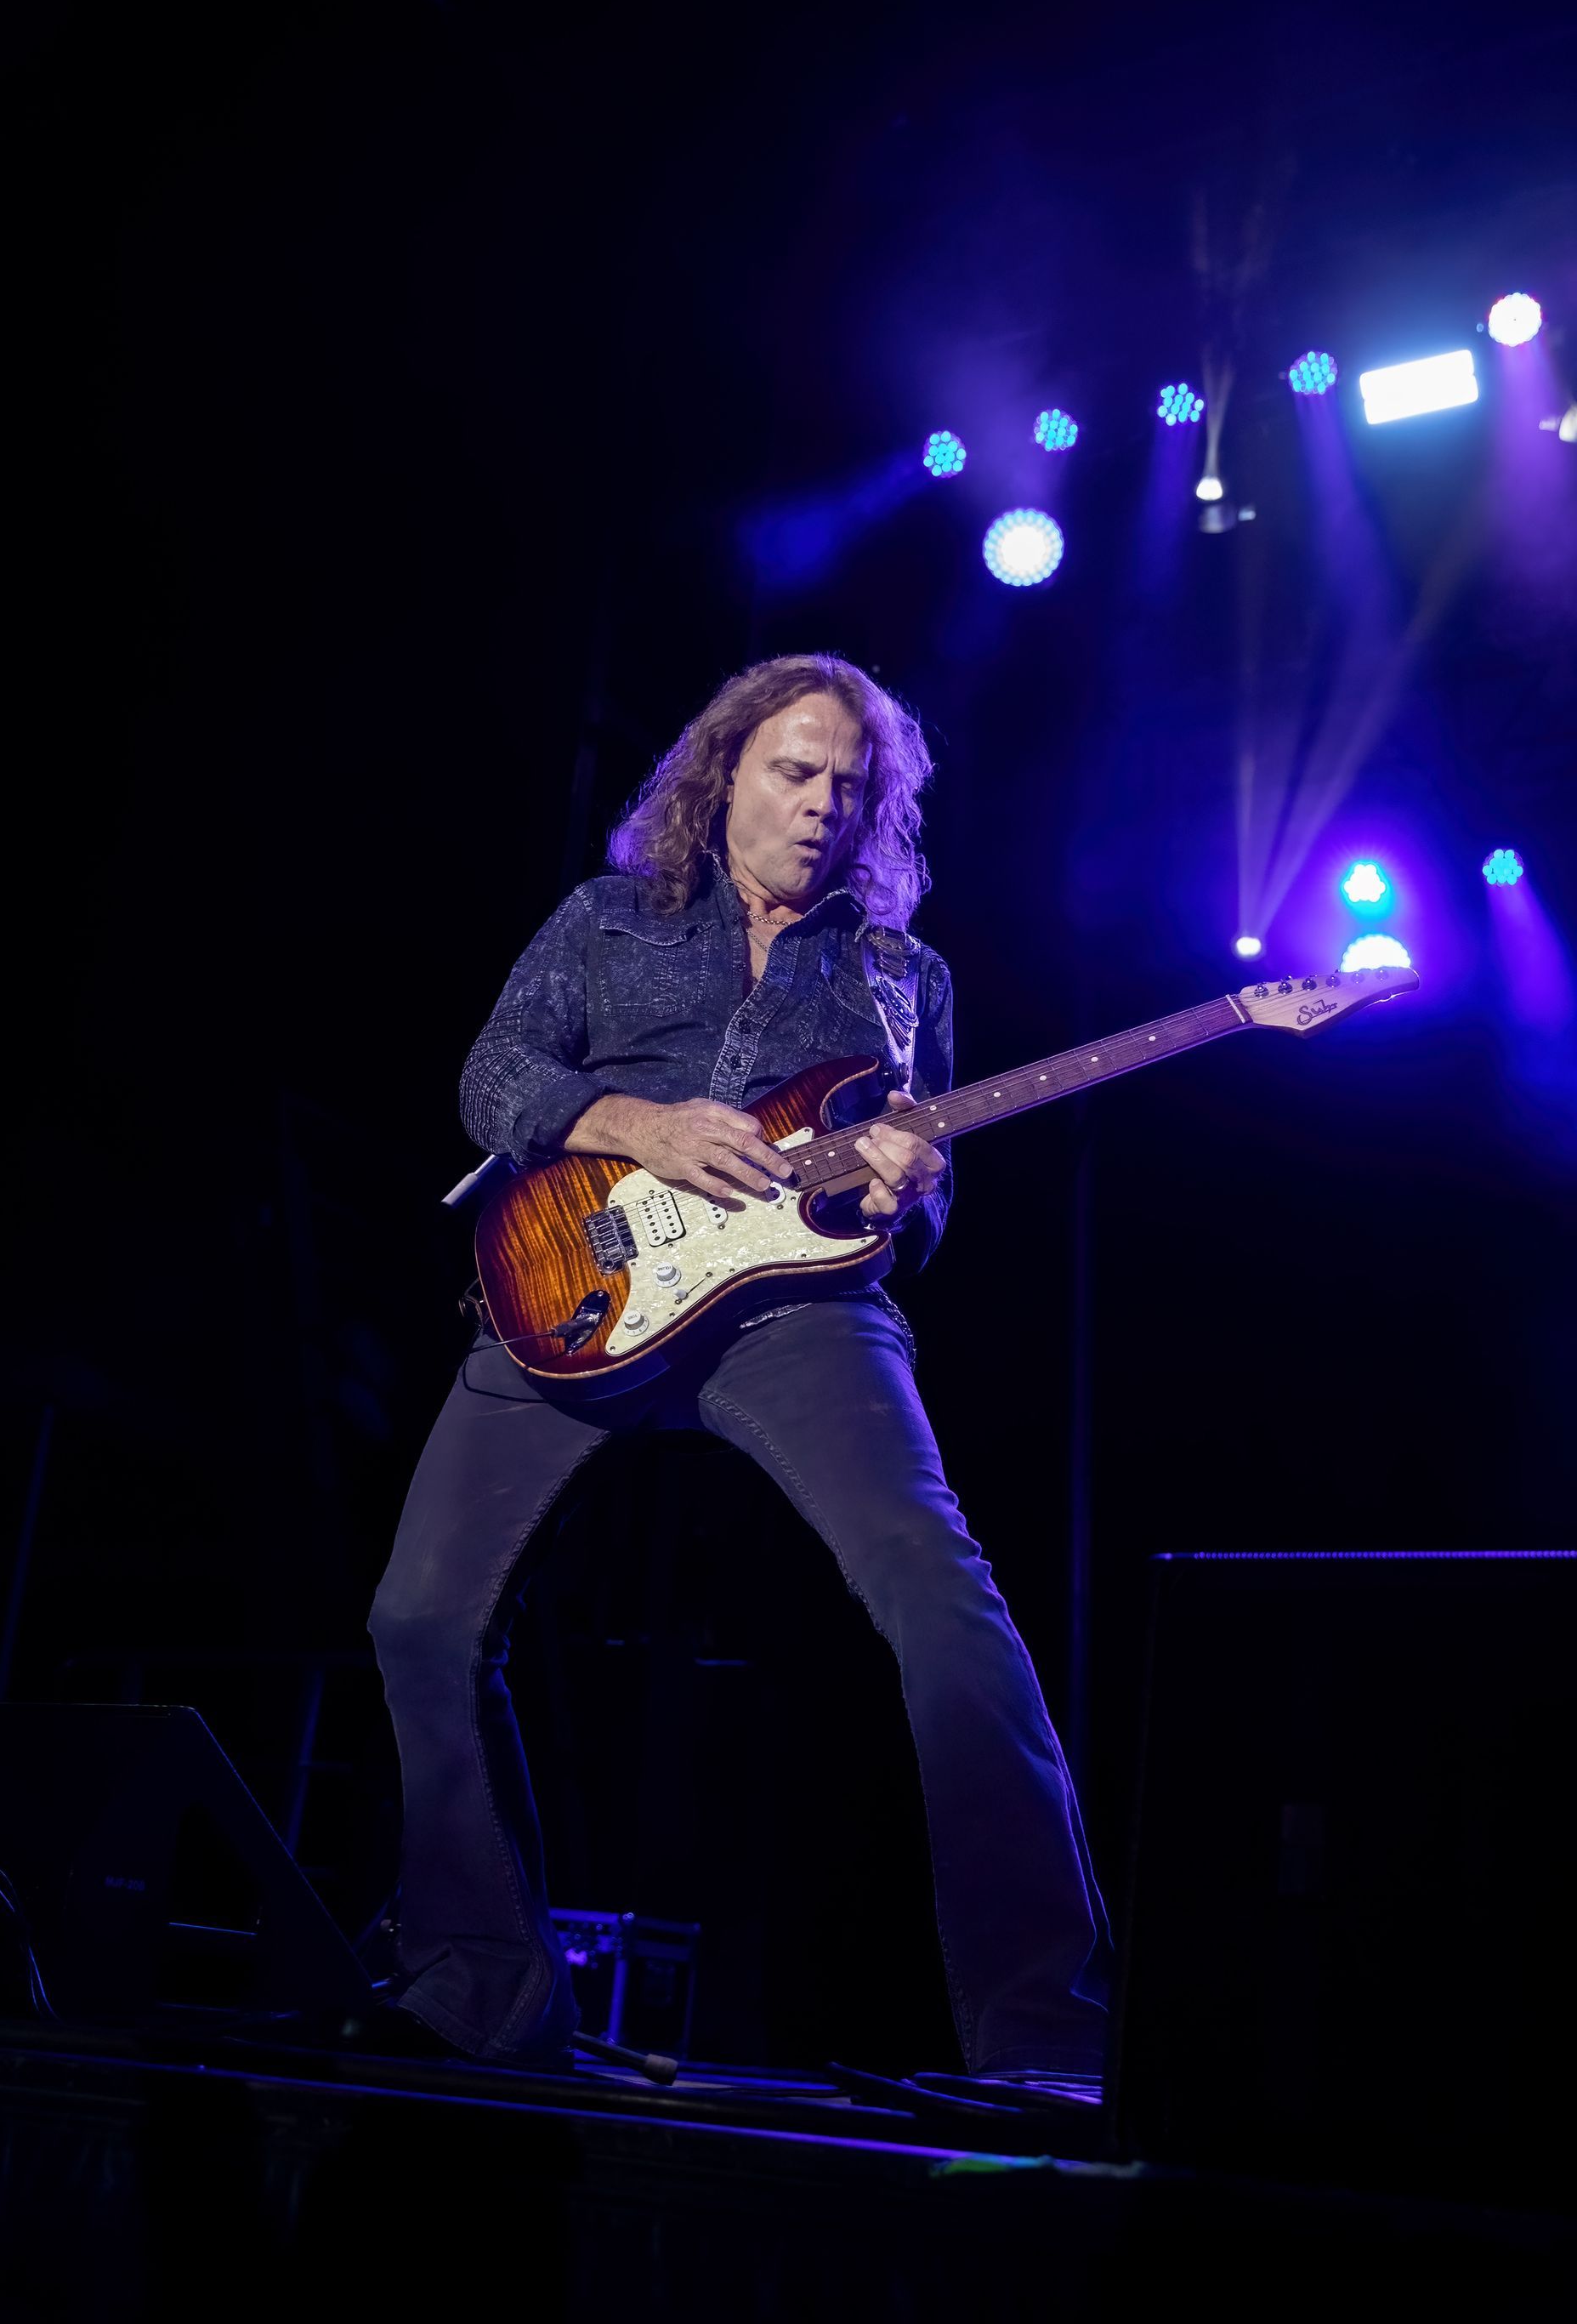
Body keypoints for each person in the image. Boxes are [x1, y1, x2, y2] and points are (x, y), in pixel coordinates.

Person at [367, 652, 1109, 2084]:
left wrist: (911, 1186)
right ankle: (479, 1989)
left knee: (945, 1604)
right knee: (418, 1616)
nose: (825, 802)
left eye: (851, 783)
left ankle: (1047, 2031)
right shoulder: (606, 921)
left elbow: (927, 1203)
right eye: (795, 769)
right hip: (568, 1292)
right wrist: (634, 1126)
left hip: (797, 1319)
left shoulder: (902, 977)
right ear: (724, 776)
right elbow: (495, 1078)